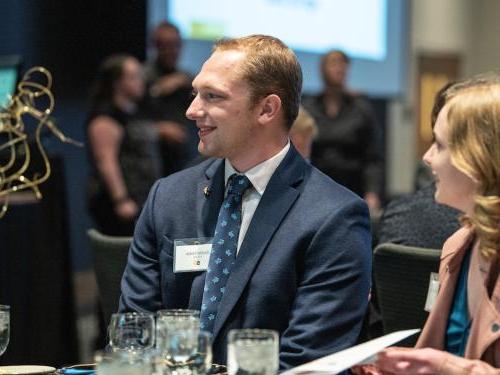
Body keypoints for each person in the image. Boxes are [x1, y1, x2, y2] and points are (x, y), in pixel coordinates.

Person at [119, 35, 372, 369]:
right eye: (196, 93)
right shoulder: (168, 197)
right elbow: (135, 334)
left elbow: (307, 363)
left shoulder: (334, 217)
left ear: (267, 109)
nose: (192, 110)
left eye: (212, 97)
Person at [355, 76, 500, 374]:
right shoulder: (460, 245)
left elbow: (448, 364)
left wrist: (449, 367)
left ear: (478, 159)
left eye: (440, 144)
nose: (427, 157)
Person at [87, 54, 162, 236]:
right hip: (121, 204)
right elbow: (106, 161)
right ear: (117, 82)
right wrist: (121, 200)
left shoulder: (134, 111)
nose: (141, 81)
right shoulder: (106, 117)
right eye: (133, 76)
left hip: (142, 198)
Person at [302, 49, 383, 214]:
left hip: (353, 188)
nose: (339, 68)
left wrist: (372, 193)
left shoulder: (361, 109)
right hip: (316, 188)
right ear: (322, 69)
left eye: (343, 64)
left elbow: (373, 157)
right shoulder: (309, 108)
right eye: (333, 63)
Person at [143, 21, 199, 175]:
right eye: (165, 45)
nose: (171, 51)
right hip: (150, 160)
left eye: (175, 45)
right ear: (155, 46)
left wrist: (184, 81)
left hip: (183, 157)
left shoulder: (185, 79)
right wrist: (158, 129)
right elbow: (128, 124)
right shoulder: (141, 77)